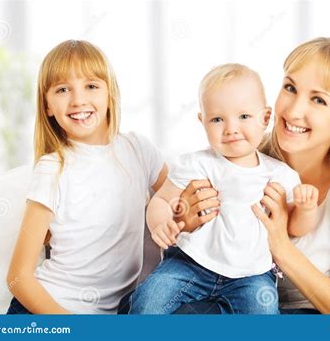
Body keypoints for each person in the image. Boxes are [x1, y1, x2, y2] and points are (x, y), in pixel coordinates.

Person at [176, 38, 330, 314]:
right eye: (290, 88)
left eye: (318, 100)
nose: (294, 111)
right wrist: (184, 223)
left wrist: (282, 247)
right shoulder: (229, 162)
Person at [129, 64, 319, 314]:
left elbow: (295, 228)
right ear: (203, 121)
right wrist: (160, 224)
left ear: (265, 118)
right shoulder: (196, 163)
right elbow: (162, 201)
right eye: (217, 119)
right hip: (191, 264)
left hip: (252, 275)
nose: (231, 129)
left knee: (264, 314)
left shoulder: (280, 174)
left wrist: (306, 209)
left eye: (244, 117)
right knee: (147, 300)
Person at [6, 40, 166, 314]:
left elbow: (176, 201)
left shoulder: (139, 150)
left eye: (91, 86)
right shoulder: (53, 168)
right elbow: (18, 277)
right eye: (62, 89)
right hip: (48, 310)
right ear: (47, 106)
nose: (78, 99)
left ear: (110, 94)